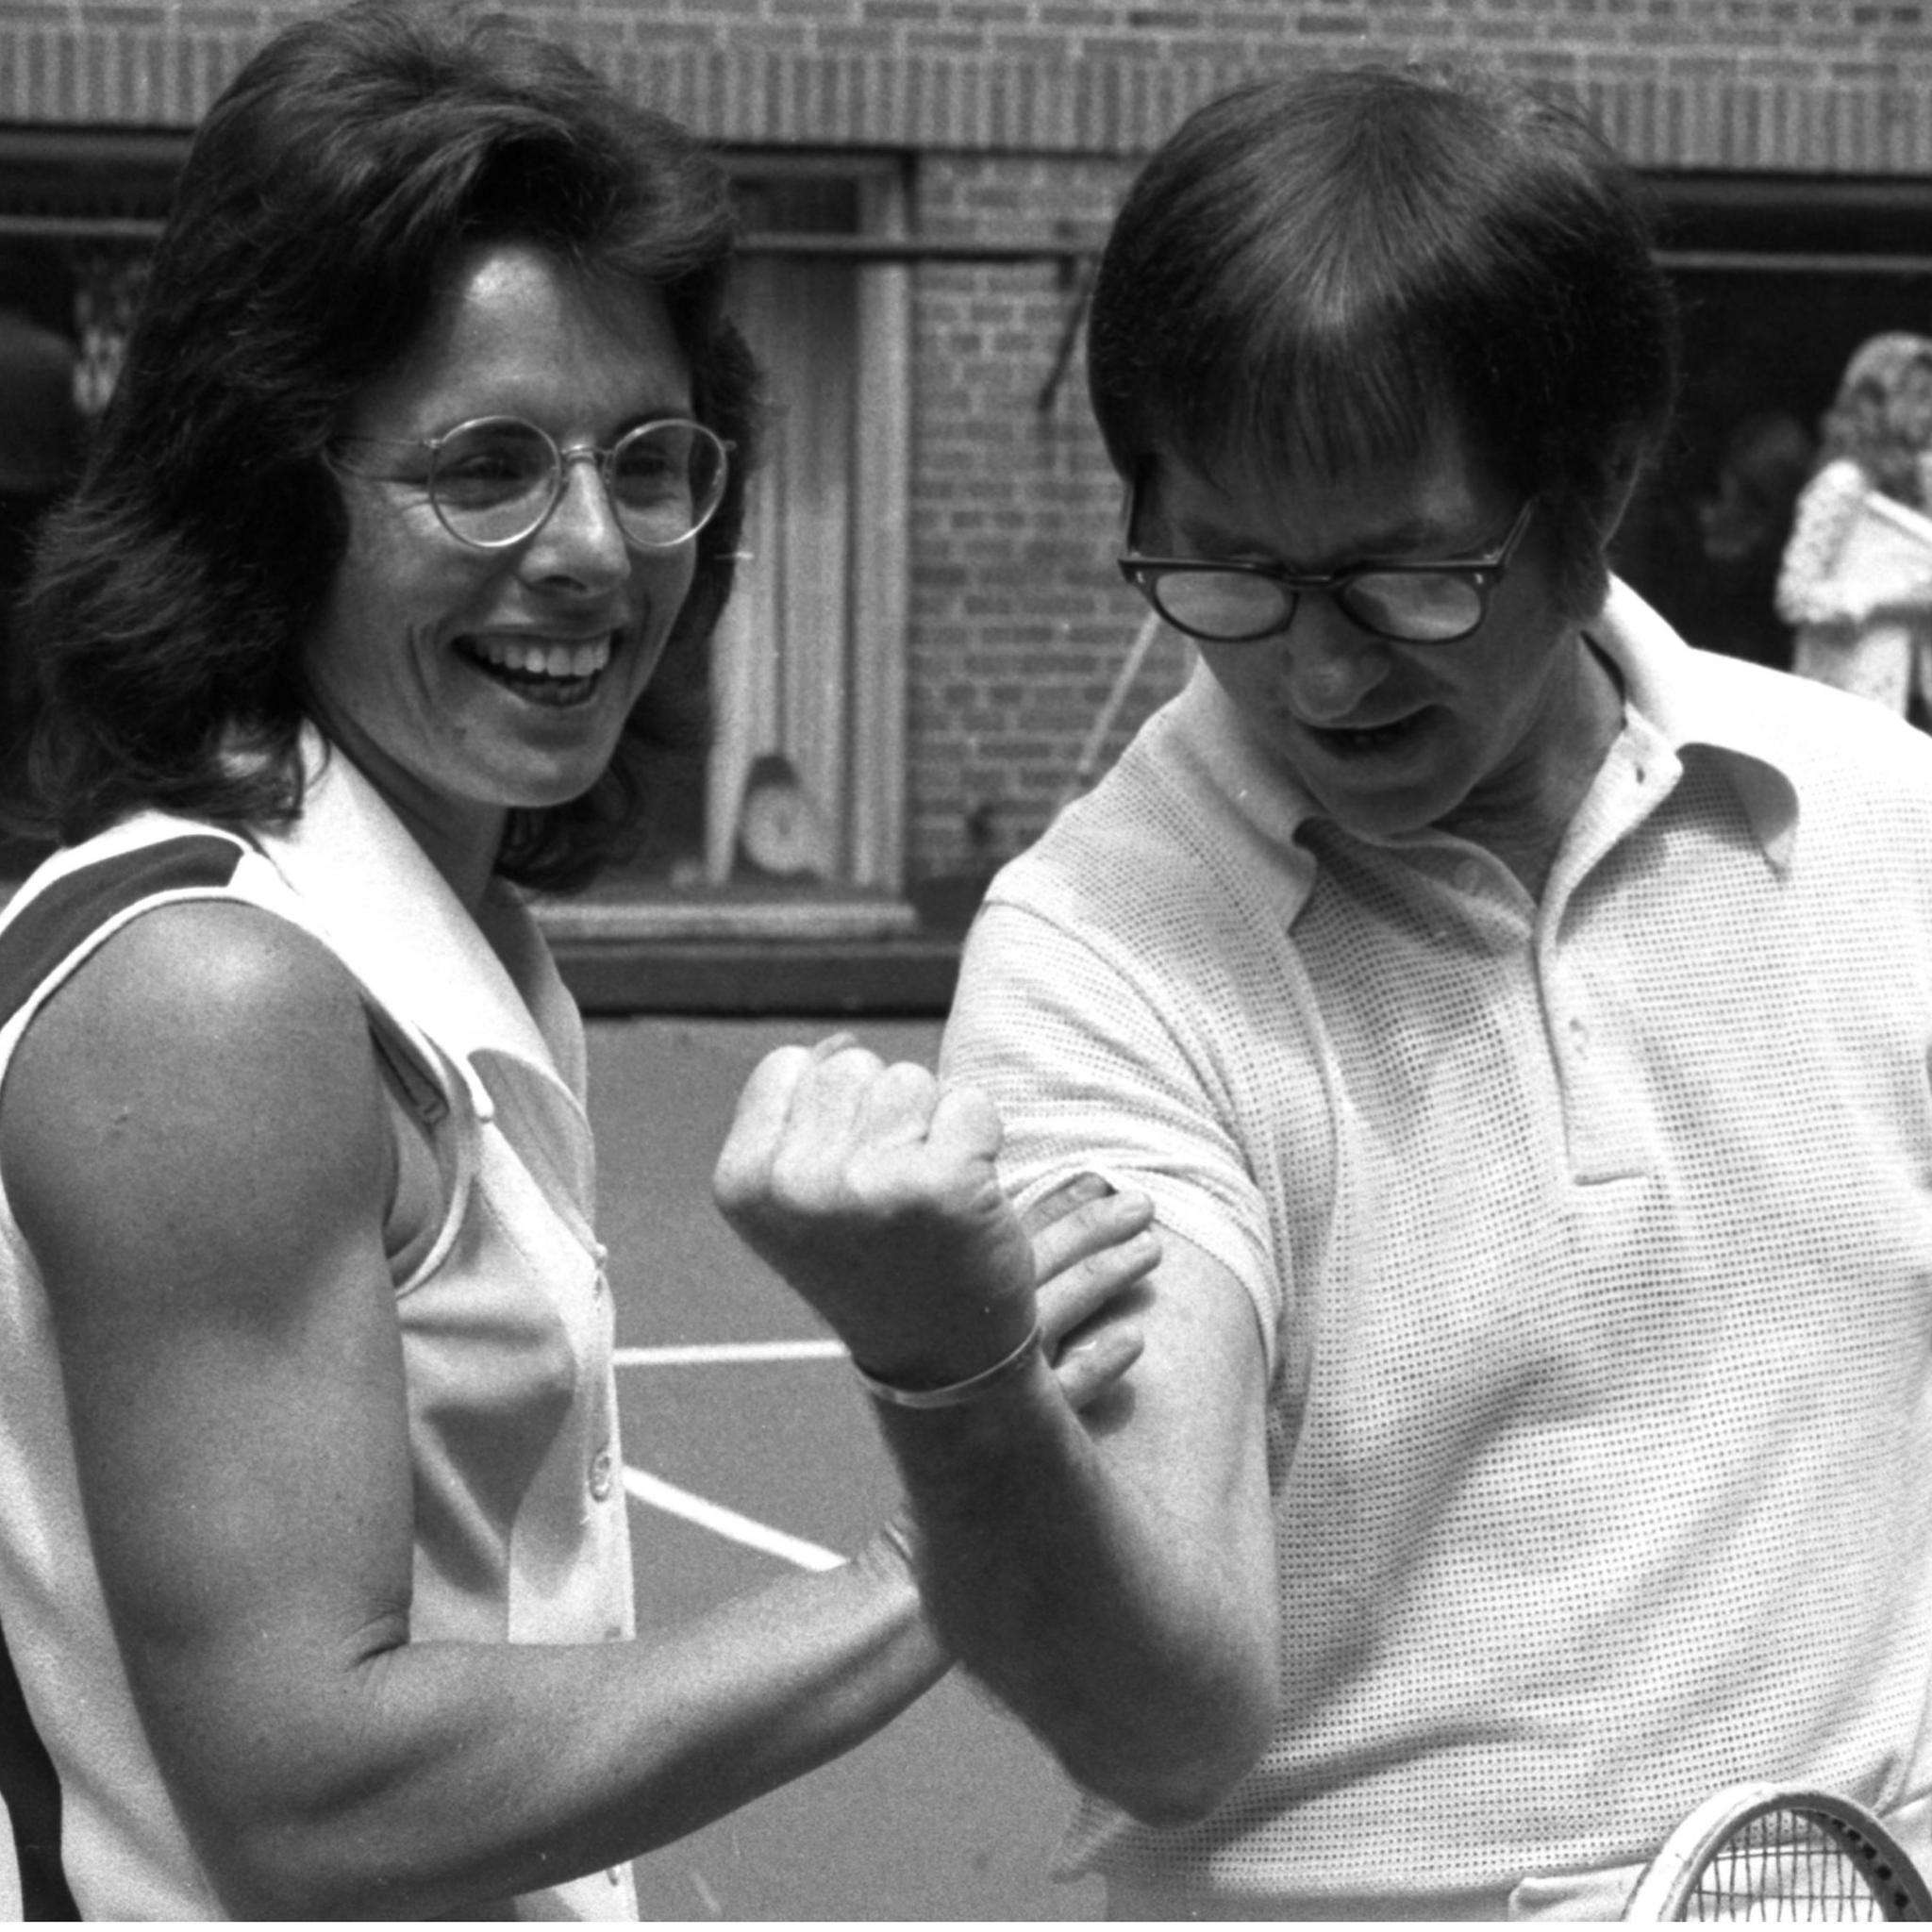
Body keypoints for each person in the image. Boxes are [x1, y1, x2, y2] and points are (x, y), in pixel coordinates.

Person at [717, 60, 1932, 1921]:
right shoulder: (1100, 955)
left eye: (1399, 573)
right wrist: (945, 1365)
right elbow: (1164, 1724)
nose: (1315, 663)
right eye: (1228, 569)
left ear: (1591, 496)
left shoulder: (1881, 826)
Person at [0, 4, 1160, 1918]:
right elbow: (314, 1794)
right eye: (484, 467)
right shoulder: (220, 995)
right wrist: (954, 1536)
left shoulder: (427, 927)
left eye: (649, 459)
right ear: (263, 493)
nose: (592, 549)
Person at [1776, 330, 1932, 716]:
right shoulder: (1844, 484)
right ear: (1877, 401)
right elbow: (1794, 597)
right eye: (1921, 397)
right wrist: (1882, 600)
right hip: (1857, 701)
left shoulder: (1924, 482)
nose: (1929, 412)